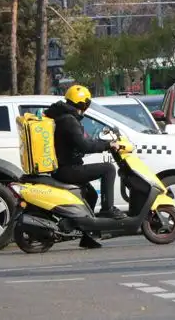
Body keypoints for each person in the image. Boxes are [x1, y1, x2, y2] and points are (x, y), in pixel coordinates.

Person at [44, 85, 127, 249]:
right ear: (83, 104)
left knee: (90, 195)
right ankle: (108, 209)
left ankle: (86, 236)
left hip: (65, 167)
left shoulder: (63, 116)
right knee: (108, 168)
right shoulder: (68, 120)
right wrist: (108, 144)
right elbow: (84, 146)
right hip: (68, 169)